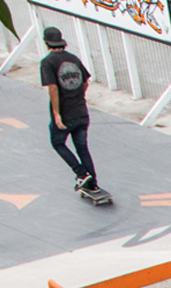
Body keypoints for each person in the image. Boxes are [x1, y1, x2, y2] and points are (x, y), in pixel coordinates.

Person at [38, 25, 106, 201]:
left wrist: (57, 113)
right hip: (81, 111)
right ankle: (93, 184)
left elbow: (52, 87)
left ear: (47, 42)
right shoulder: (74, 59)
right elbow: (85, 82)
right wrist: (78, 96)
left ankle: (81, 173)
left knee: (58, 142)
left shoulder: (47, 62)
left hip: (66, 113)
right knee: (82, 148)